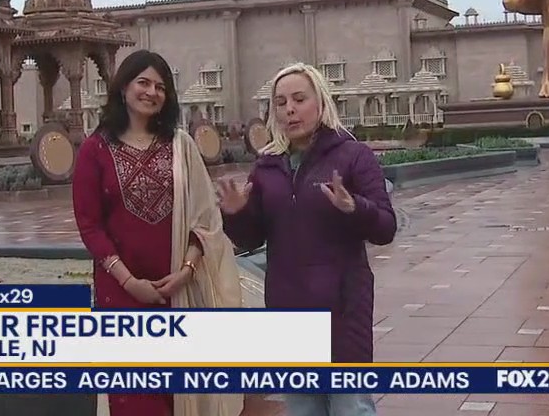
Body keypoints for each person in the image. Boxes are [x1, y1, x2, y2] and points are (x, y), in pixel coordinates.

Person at [216, 62, 396, 416]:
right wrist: (236, 213)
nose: (290, 110)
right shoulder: (267, 165)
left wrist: (353, 206)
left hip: (343, 308)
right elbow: (251, 239)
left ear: (320, 102)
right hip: (289, 310)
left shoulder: (353, 155)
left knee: (351, 408)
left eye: (299, 99)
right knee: (303, 409)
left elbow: (385, 227)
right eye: (280, 103)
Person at [72, 49, 244, 416]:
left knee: (179, 393)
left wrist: (186, 271)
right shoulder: (95, 149)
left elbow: (205, 218)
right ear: (123, 88)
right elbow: (89, 224)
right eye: (143, 83)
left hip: (178, 289)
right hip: (120, 293)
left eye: (161, 87)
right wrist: (129, 281)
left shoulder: (180, 145)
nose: (152, 92)